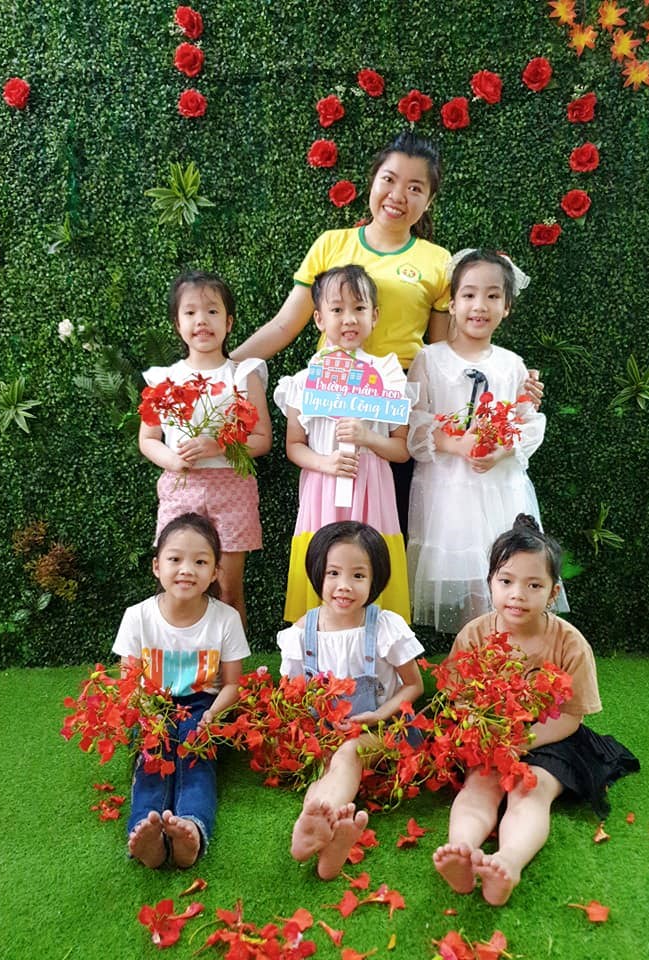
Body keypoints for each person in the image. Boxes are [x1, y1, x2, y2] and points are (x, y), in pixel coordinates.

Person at [233, 131, 451, 534]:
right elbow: (284, 324)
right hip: (331, 392)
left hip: (394, 398)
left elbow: (442, 352)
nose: (398, 195)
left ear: (429, 200)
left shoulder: (438, 261)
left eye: (414, 187)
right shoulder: (331, 244)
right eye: (389, 179)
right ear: (373, 181)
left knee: (386, 522)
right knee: (329, 521)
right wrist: (224, 368)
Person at [433, 515, 639, 906]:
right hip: (492, 733)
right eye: (506, 581)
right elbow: (459, 698)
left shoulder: (570, 643)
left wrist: (523, 741)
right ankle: (462, 850)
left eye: (533, 585)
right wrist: (487, 732)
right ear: (490, 583)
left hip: (551, 736)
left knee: (531, 790)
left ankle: (509, 861)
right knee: (480, 784)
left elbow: (572, 715)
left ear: (553, 592)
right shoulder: (474, 634)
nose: (517, 595)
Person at [406, 248, 560, 633]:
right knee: (464, 569)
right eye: (469, 294)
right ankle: (474, 650)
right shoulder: (429, 359)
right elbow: (414, 423)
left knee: (505, 567)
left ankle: (507, 650)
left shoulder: (512, 364)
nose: (480, 306)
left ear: (506, 307)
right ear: (452, 303)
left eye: (493, 296)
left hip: (499, 487)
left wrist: (501, 449)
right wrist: (456, 444)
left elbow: (528, 422)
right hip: (449, 489)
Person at [277, 521, 424, 880]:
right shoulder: (302, 633)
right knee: (327, 767)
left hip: (385, 729)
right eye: (333, 573)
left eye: (358, 575)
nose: (344, 585)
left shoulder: (384, 626)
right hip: (326, 734)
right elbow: (292, 692)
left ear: (376, 580)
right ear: (317, 573)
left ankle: (322, 816)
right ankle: (325, 842)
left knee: (347, 753)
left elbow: (414, 686)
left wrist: (379, 714)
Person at [274, 265, 415, 622]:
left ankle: (378, 639)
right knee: (325, 556)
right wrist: (326, 463)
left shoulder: (388, 375)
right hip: (323, 488)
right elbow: (294, 445)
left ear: (375, 315)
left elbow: (401, 449)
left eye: (359, 308)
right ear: (319, 318)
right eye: (337, 309)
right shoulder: (303, 381)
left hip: (372, 488)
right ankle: (317, 640)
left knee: (371, 557)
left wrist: (368, 437)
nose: (349, 319)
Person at [112, 512, 250, 869]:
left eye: (200, 562)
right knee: (153, 758)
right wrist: (149, 715)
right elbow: (129, 683)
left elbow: (233, 684)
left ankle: (192, 829)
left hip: (205, 704)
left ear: (215, 572)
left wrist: (211, 717)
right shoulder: (137, 616)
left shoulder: (225, 618)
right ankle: (148, 836)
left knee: (194, 757)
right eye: (175, 559)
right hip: (152, 703)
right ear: (157, 567)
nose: (187, 570)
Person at [139, 270, 272, 625]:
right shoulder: (163, 379)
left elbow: (262, 439)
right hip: (180, 489)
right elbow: (148, 439)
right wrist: (173, 460)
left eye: (212, 311)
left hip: (233, 491)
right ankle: (180, 653)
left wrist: (217, 446)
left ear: (228, 323)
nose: (202, 321)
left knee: (229, 590)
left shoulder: (243, 375)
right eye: (190, 312)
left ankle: (232, 659)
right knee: (179, 584)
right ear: (177, 324)